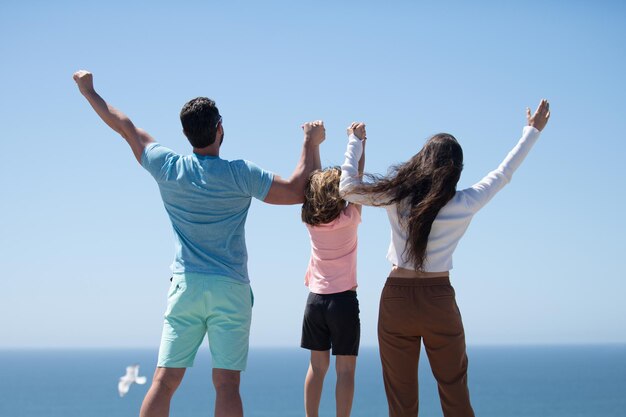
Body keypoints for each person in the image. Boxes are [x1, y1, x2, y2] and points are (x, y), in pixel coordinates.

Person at [72, 70, 325, 417]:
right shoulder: (240, 173)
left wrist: (89, 92)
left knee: (164, 381)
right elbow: (299, 190)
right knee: (227, 385)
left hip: (186, 287)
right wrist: (310, 144)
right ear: (219, 128)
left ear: (186, 134)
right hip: (231, 289)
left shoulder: (168, 167)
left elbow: (124, 126)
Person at [338, 100, 551, 417]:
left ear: (421, 161)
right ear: (456, 171)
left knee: (402, 401)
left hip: (396, 299)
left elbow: (347, 189)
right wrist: (531, 132)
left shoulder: (397, 196)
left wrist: (354, 142)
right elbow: (503, 173)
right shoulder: (465, 203)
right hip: (439, 299)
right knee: (455, 395)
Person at [300, 122, 367, 417]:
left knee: (317, 367)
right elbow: (357, 178)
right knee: (346, 371)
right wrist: (359, 143)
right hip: (343, 302)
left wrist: (312, 143)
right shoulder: (349, 218)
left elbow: (311, 180)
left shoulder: (310, 220)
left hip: (315, 301)